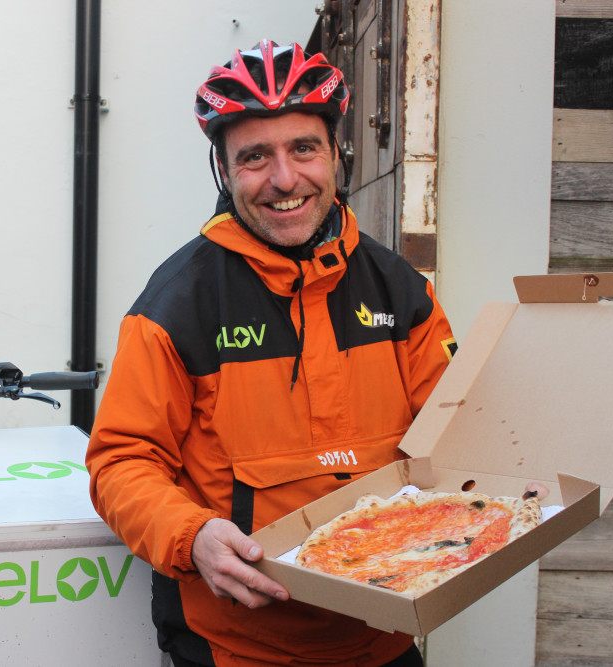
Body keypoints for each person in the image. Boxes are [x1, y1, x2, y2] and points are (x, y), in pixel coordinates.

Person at [86, 40, 456, 667]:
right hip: (234, 647)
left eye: (303, 148)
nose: (285, 180)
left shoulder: (404, 293)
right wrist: (192, 535)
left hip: (384, 641)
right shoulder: (177, 305)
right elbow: (121, 462)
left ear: (337, 153)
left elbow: (455, 442)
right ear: (223, 171)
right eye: (255, 157)